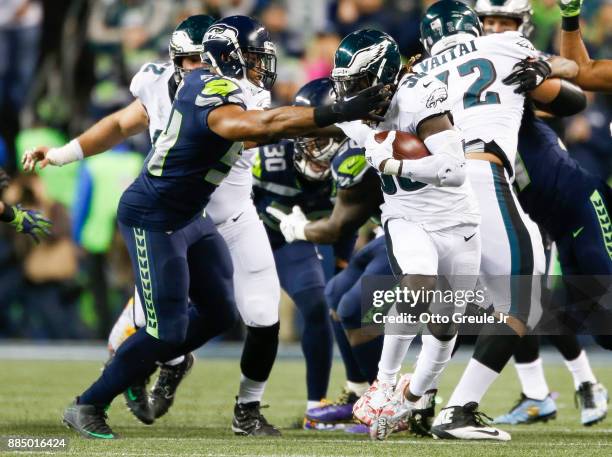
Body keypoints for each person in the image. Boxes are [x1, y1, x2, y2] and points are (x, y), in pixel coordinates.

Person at [24, 15, 387, 439]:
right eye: (251, 58)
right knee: (166, 329)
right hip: (155, 217)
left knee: (219, 311)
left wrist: (337, 118)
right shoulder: (204, 89)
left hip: (194, 217)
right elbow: (258, 127)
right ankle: (90, 402)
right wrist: (341, 112)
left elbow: (267, 123)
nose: (260, 66)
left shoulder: (228, 87)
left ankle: (185, 380)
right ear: (228, 57)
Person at [406, 0, 583, 441]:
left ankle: (418, 400)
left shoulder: (414, 75)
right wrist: (542, 75)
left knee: (451, 302)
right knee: (524, 298)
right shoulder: (503, 47)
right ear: (474, 26)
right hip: (480, 175)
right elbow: (572, 101)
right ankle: (458, 411)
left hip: (426, 194)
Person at [328, 28, 482, 441]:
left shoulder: (419, 98)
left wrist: (394, 165)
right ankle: (383, 383)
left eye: (358, 84)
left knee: (447, 323)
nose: (352, 95)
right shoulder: (356, 112)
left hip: (458, 220)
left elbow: (454, 170)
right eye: (347, 86)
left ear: (383, 76)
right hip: (407, 218)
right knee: (417, 285)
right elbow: (326, 118)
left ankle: (410, 399)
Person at [474, 0, 608, 427]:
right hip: (530, 213)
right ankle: (540, 393)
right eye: (488, 21)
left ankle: (583, 383)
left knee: (604, 320)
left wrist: (545, 69)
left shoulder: (519, 69)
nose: (495, 29)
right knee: (519, 303)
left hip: (576, 205)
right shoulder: (453, 82)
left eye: (505, 21)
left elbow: (576, 85)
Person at [256, 78, 360, 427]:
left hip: (291, 241)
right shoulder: (270, 155)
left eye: (324, 138)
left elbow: (349, 220)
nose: (313, 147)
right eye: (306, 135)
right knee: (207, 309)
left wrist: (344, 262)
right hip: (249, 234)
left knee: (318, 305)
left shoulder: (353, 163)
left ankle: (316, 406)